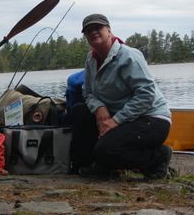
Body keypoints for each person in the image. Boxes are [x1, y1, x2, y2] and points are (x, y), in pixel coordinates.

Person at [70, 14, 172, 180]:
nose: (93, 32)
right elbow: (87, 91)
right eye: (88, 30)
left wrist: (116, 120)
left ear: (109, 30)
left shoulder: (129, 56)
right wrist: (99, 108)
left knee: (106, 150)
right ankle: (95, 164)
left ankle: (158, 157)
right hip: (121, 116)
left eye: (98, 28)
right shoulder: (91, 58)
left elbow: (146, 94)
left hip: (151, 119)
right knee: (79, 111)